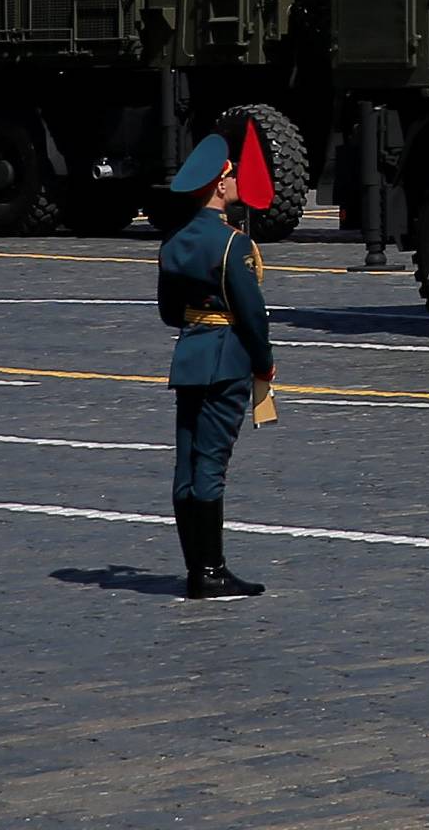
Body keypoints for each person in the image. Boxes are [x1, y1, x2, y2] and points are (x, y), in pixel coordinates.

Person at [156, 133, 276, 601]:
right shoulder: (231, 244)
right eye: (230, 177)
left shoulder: (175, 242)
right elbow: (250, 312)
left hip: (190, 356)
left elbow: (169, 312)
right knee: (212, 465)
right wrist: (264, 363)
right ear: (220, 186)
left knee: (186, 466)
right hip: (227, 358)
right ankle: (211, 571)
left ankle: (195, 568)